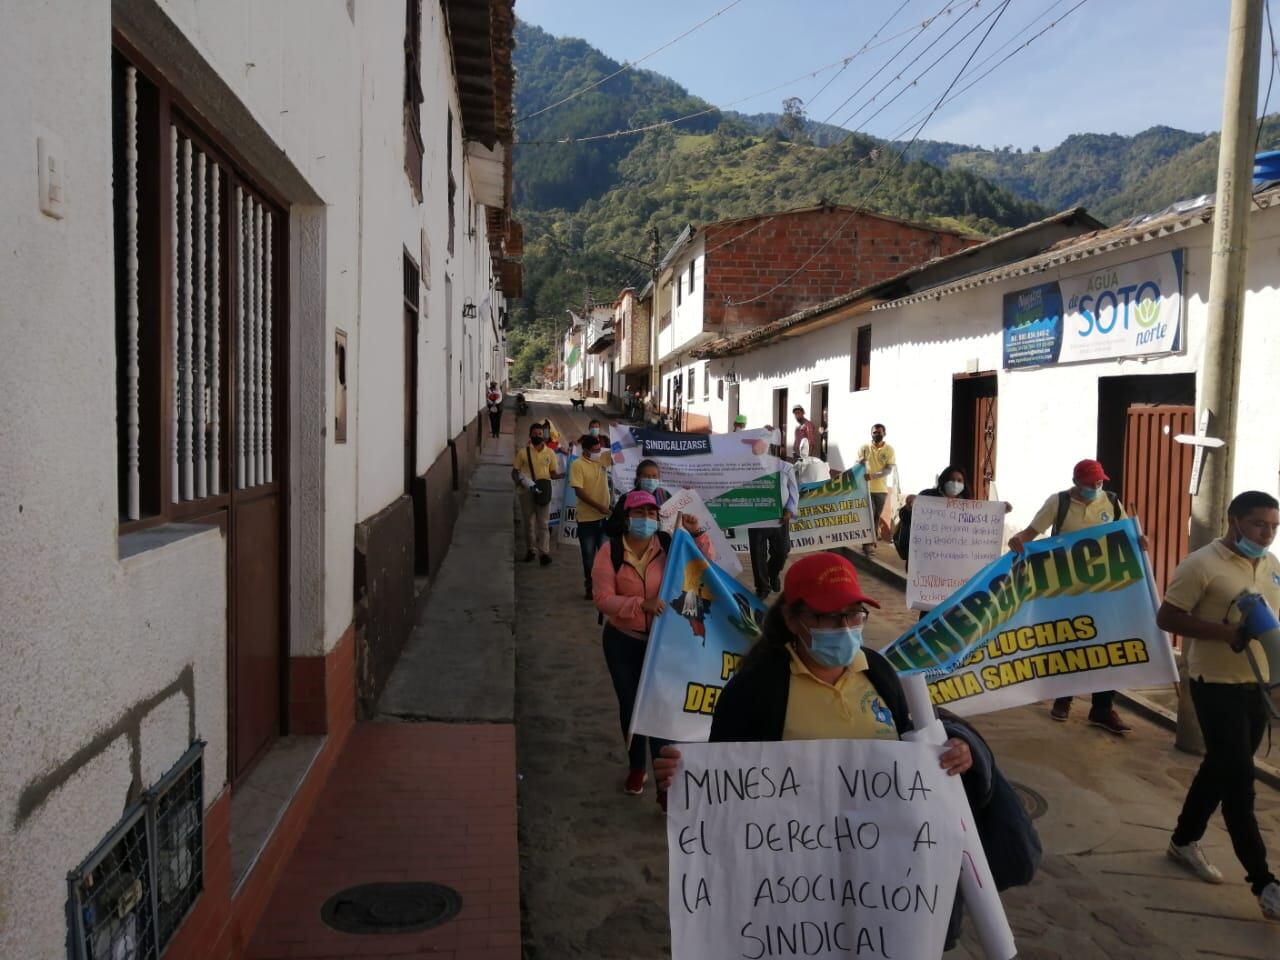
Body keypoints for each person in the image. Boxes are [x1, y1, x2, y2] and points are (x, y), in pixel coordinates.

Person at [653, 552, 994, 944]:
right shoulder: (754, 690)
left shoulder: (881, 674)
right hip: (794, 888)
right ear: (793, 620)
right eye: (828, 618)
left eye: (854, 615)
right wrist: (681, 782)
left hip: (882, 880)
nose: (845, 627)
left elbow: (918, 751)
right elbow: (722, 794)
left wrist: (959, 751)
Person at [1159, 491, 1280, 920]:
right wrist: (1223, 632)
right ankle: (1265, 884)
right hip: (1215, 687)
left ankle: (1183, 840)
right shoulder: (1201, 565)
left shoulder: (1270, 565)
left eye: (1273, 526)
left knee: (1221, 767)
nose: (1267, 534)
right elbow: (1168, 618)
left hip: (1257, 688)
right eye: (1259, 525)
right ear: (1234, 521)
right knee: (1238, 786)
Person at [593, 490, 712, 804]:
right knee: (632, 708)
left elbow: (703, 567)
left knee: (661, 711)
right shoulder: (611, 552)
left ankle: (664, 785)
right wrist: (639, 604)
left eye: (650, 513)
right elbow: (603, 599)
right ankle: (636, 768)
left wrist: (697, 532)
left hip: (664, 644)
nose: (645, 519)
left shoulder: (670, 545)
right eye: (638, 513)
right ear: (626, 517)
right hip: (622, 643)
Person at [1008, 458, 1138, 734]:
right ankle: (1063, 697)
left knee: (1107, 647)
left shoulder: (1111, 503)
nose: (1096, 487)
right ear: (1076, 483)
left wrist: (1141, 541)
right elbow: (1031, 533)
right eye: (1090, 483)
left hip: (1104, 588)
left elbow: (1126, 536)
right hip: (1066, 586)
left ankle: (1102, 708)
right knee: (1069, 640)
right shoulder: (1059, 503)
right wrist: (1017, 542)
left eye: (1099, 482)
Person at [896, 465, 1012, 571]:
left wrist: (999, 511)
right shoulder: (927, 497)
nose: (955, 484)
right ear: (944, 480)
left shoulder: (967, 504)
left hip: (953, 565)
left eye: (959, 481)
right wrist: (908, 507)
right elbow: (906, 518)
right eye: (952, 480)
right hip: (926, 561)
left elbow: (980, 525)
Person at [511, 423, 562, 566]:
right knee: (528, 523)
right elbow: (514, 472)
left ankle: (544, 553)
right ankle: (530, 550)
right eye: (534, 434)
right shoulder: (523, 452)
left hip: (543, 493)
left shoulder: (550, 453)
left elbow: (553, 474)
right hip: (526, 493)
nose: (537, 436)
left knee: (544, 524)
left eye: (540, 434)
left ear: (544, 436)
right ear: (530, 435)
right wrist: (520, 482)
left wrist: (565, 474)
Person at [748, 457, 797, 601]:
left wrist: (789, 510)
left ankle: (773, 573)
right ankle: (762, 587)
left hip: (780, 515)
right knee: (758, 553)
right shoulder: (743, 468)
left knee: (782, 550)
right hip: (756, 514)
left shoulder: (785, 467)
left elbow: (793, 489)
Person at [571, 433, 613, 599]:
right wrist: (599, 507)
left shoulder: (602, 459)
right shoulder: (577, 465)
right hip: (587, 520)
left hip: (603, 519)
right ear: (586, 451)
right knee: (588, 557)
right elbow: (579, 492)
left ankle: (603, 586)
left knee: (605, 555)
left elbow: (622, 450)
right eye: (595, 450)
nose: (598, 451)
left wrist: (616, 429)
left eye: (599, 448)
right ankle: (590, 585)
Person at [604, 459, 672, 537]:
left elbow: (675, 519)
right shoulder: (626, 498)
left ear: (659, 477)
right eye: (646, 476)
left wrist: (686, 495)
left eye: (654, 476)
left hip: (658, 544)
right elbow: (611, 529)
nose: (651, 480)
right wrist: (631, 527)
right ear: (639, 478)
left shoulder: (665, 496)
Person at [857, 423, 896, 555]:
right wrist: (859, 462)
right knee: (869, 515)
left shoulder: (889, 450)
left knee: (875, 517)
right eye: (874, 432)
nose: (876, 434)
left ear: (884, 433)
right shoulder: (864, 448)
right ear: (871, 433)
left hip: (881, 490)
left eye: (879, 432)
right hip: (866, 489)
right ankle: (867, 544)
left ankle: (871, 539)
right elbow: (857, 465)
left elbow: (889, 469)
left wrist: (873, 476)